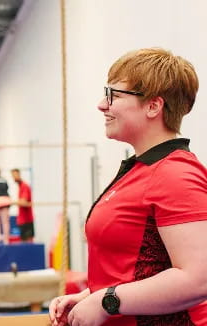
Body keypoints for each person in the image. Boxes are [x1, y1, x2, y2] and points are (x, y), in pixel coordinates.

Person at [49, 48, 207, 326]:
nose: (102, 104)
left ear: (153, 107)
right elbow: (140, 269)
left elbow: (198, 279)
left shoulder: (174, 174)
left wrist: (107, 301)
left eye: (114, 96)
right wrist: (91, 294)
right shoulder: (140, 169)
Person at [11, 169, 34, 242]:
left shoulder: (24, 186)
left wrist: (11, 202)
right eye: (12, 176)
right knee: (23, 243)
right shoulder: (20, 187)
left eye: (15, 175)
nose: (14, 177)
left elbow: (24, 202)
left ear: (19, 174)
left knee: (28, 244)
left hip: (26, 220)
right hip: (22, 220)